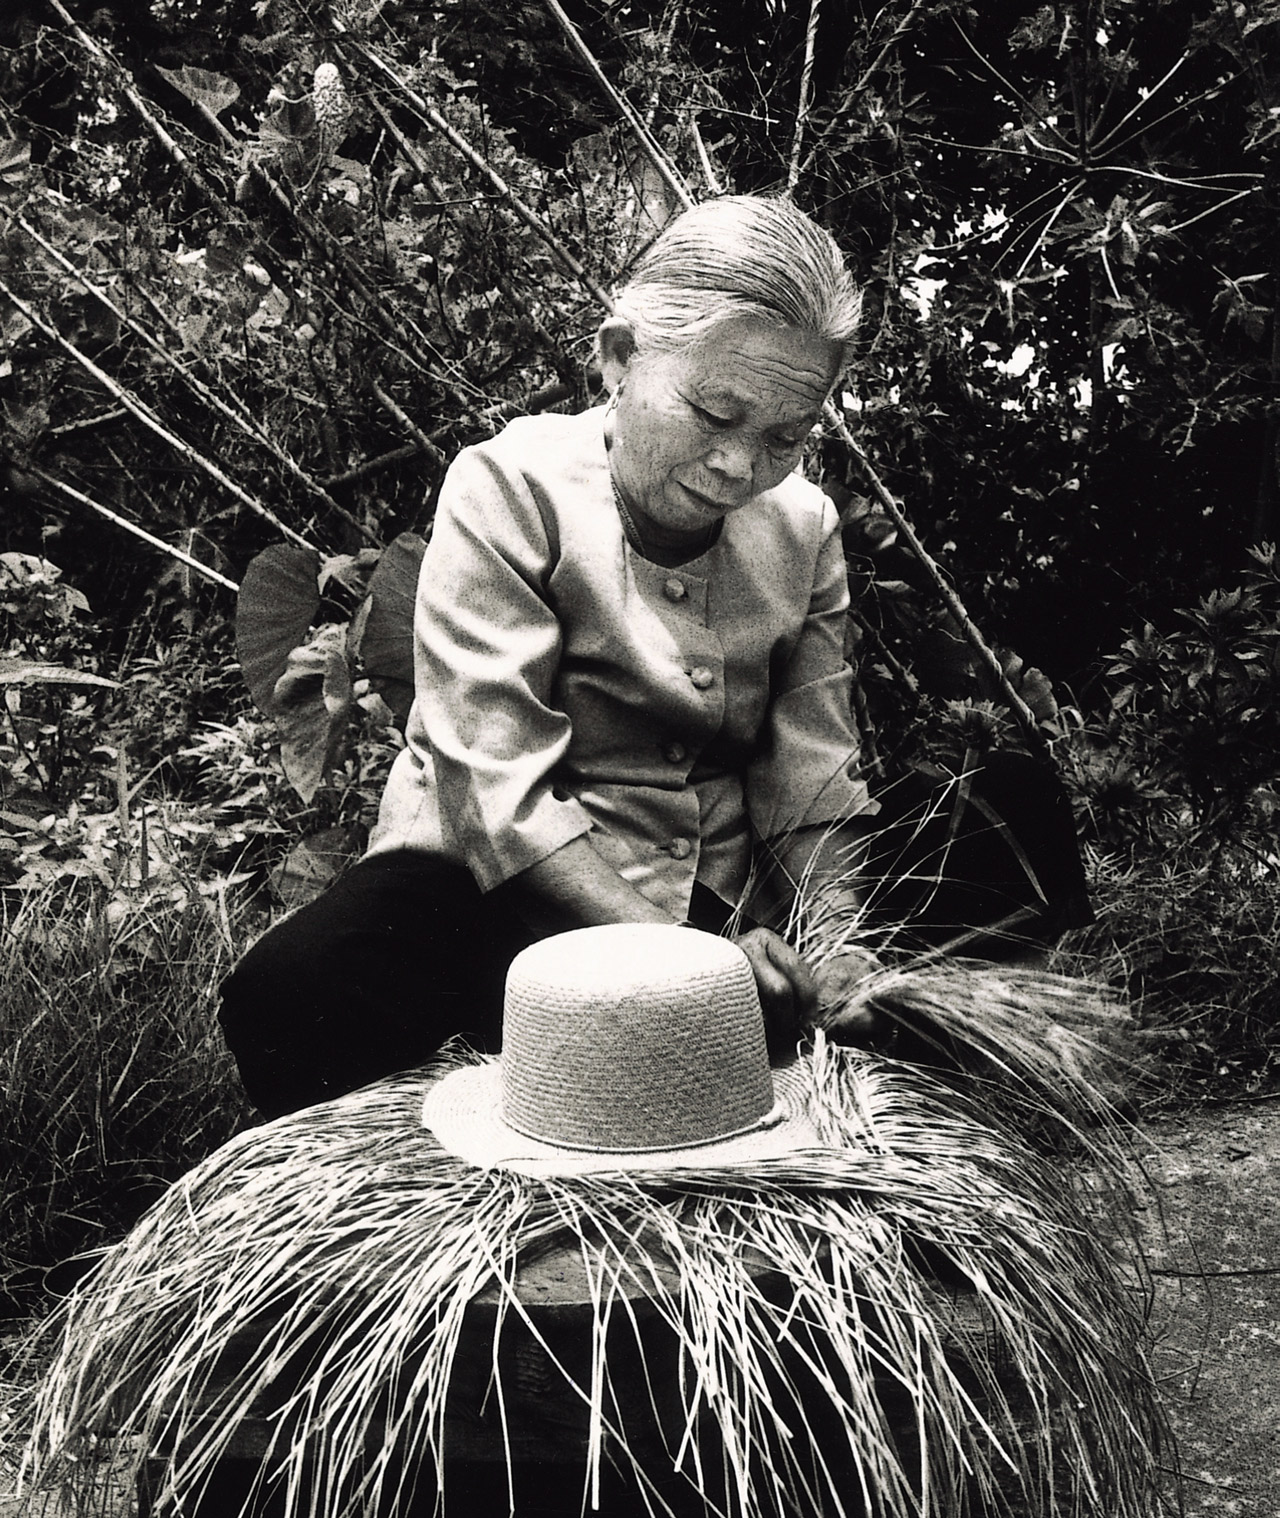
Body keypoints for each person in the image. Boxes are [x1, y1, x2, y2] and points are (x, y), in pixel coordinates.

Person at [219, 194, 1085, 1119]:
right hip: (508, 898)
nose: (739, 467)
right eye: (714, 412)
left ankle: (932, 1103)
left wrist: (830, 944)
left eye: (786, 437)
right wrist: (697, 969)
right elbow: (497, 791)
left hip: (718, 886)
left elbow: (811, 770)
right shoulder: (506, 488)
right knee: (298, 986)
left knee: (1008, 802)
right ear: (619, 359)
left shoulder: (804, 529)